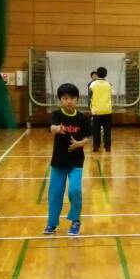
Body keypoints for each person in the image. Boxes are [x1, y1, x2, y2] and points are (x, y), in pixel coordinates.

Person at [46, 83, 93, 236]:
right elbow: (51, 127)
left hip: (76, 162)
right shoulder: (56, 114)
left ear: (77, 99)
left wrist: (80, 144)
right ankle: (52, 223)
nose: (69, 101)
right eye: (65, 98)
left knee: (75, 190)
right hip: (58, 162)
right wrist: (57, 128)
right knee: (55, 193)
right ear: (60, 99)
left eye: (72, 98)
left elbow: (89, 137)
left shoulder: (83, 118)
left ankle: (75, 221)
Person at [89, 66, 113, 152]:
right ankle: (107, 146)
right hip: (107, 110)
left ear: (97, 74)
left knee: (96, 129)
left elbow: (90, 97)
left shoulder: (92, 84)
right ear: (105, 74)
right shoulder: (109, 84)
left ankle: (96, 146)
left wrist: (90, 108)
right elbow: (111, 94)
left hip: (96, 110)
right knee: (107, 129)